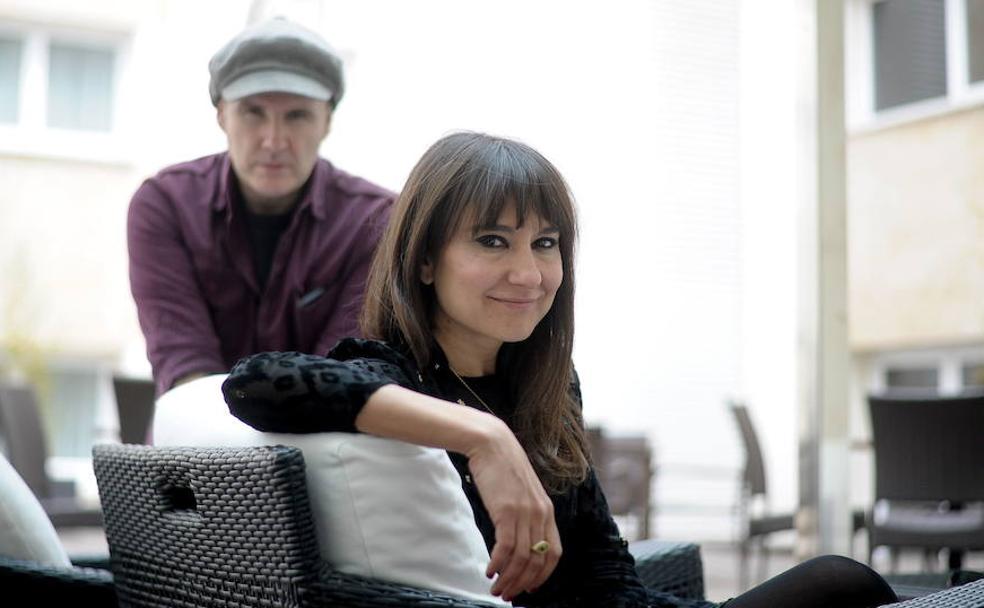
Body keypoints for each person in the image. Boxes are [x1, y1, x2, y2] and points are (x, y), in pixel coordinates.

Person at [221, 132, 899, 608]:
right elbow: (255, 382)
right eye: (492, 241)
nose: (529, 273)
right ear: (424, 260)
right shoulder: (393, 372)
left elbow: (605, 568)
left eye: (545, 244)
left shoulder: (546, 380)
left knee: (843, 580)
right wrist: (483, 438)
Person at [128, 17, 394, 395]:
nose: (273, 140)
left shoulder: (375, 222)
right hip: (195, 444)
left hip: (321, 446)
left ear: (327, 121)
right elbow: (184, 367)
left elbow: (340, 383)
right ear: (222, 115)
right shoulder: (166, 205)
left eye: (297, 115)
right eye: (253, 112)